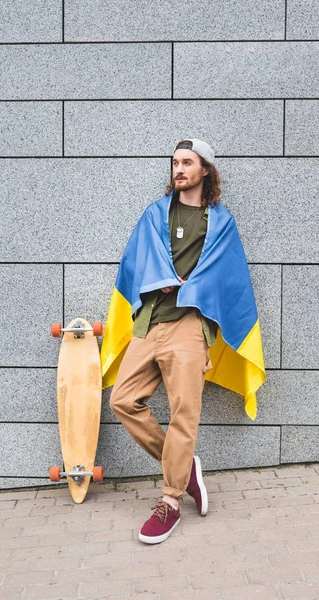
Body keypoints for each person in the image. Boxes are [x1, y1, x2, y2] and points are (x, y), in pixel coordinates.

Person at [101, 138, 265, 544]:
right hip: (149, 322)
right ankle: (184, 466)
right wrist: (161, 280)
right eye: (175, 162)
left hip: (189, 327)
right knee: (122, 399)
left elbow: (229, 281)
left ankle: (170, 501)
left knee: (184, 414)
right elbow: (136, 263)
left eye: (187, 163)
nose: (179, 169)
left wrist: (192, 287)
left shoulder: (221, 223)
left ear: (205, 170)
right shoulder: (155, 214)